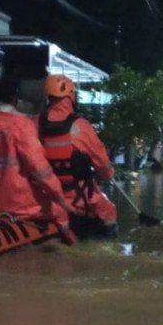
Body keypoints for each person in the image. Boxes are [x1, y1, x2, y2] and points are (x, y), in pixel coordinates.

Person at [0, 77, 77, 244]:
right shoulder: (21, 124)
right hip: (19, 205)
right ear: (14, 99)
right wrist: (61, 198)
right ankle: (73, 245)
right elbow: (40, 170)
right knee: (60, 211)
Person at [38, 74, 119, 238]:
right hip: (79, 198)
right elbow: (103, 165)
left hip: (47, 198)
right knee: (109, 212)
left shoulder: (34, 123)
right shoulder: (81, 126)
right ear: (70, 95)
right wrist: (108, 174)